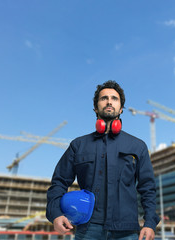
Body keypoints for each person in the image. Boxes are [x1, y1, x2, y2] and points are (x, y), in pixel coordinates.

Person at [46, 80, 160, 240]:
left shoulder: (137, 146)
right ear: (95, 107)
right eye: (103, 98)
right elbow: (58, 182)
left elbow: (147, 188)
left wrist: (149, 223)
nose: (109, 101)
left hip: (126, 231)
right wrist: (55, 214)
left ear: (121, 108)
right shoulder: (78, 145)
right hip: (87, 230)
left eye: (114, 98)